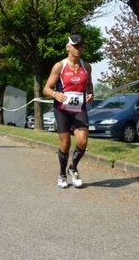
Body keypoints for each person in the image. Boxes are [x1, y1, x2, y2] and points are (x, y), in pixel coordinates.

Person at [43, 34, 94, 189]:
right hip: (62, 109)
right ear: (68, 47)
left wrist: (90, 94)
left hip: (79, 108)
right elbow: (46, 88)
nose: (78, 48)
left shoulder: (87, 66)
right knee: (65, 143)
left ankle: (73, 168)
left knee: (83, 141)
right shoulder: (60, 66)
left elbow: (90, 85)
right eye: (75, 45)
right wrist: (54, 94)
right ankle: (62, 174)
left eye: (80, 46)